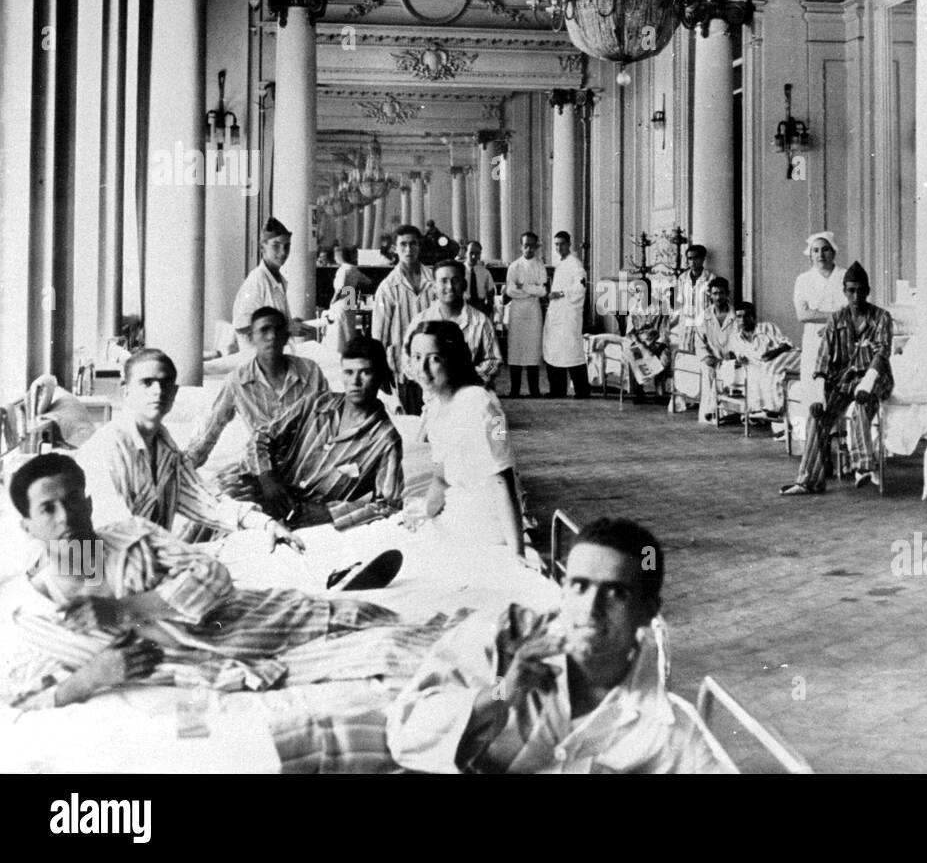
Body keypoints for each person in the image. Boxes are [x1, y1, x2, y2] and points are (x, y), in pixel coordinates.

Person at [2, 454, 431, 715]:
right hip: (211, 666)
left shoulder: (130, 537)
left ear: (89, 502)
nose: (65, 516)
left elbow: (213, 577)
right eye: (48, 509)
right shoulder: (31, 614)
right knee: (383, 653)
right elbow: (14, 698)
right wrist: (86, 680)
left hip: (249, 618)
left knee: (375, 622)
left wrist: (126, 609)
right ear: (27, 525)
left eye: (73, 500)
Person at [386, 517, 735, 773]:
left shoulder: (668, 732)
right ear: (563, 590)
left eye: (615, 593)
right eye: (580, 587)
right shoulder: (500, 637)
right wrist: (500, 693)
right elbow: (404, 735)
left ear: (648, 612)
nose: (591, 608)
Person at [77, 348, 301, 548]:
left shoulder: (166, 449)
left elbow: (205, 501)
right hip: (90, 571)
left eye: (165, 384)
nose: (158, 391)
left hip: (140, 567)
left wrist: (266, 524)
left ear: (174, 394)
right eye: (147, 383)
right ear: (125, 390)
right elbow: (112, 526)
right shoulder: (105, 447)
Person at [230, 337, 404, 531]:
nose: (355, 381)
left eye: (365, 373)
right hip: (266, 492)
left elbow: (389, 505)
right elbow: (261, 436)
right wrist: (267, 478)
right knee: (217, 508)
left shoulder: (385, 439)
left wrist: (330, 513)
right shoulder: (315, 403)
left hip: (305, 520)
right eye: (348, 372)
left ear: (379, 376)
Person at [401, 321, 524, 554]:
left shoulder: (481, 404)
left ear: (453, 359)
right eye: (416, 357)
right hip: (454, 514)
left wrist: (517, 555)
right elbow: (441, 477)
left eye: (434, 359)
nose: (423, 368)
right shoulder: (437, 407)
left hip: (484, 528)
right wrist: (423, 513)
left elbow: (504, 481)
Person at [781, 262, 892, 495]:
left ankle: (862, 466)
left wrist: (868, 382)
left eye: (860, 290)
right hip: (843, 380)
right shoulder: (837, 319)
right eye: (851, 290)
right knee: (816, 417)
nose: (856, 295)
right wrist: (819, 395)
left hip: (875, 377)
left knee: (862, 405)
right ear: (844, 291)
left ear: (868, 290)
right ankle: (808, 481)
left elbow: (882, 354)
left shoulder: (881, 317)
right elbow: (822, 358)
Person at [185, 307, 330, 473]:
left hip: (309, 463)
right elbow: (211, 430)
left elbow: (329, 418)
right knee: (225, 489)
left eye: (278, 330)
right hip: (263, 468)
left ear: (286, 336)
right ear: (251, 338)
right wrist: (184, 468)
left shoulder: (309, 371)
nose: (272, 336)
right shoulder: (238, 381)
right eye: (264, 330)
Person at [373, 224, 438, 415]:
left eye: (413, 244)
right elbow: (379, 335)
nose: (409, 249)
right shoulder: (387, 288)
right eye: (403, 245)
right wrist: (381, 370)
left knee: (437, 420)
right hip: (404, 368)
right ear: (395, 248)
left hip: (435, 365)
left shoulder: (434, 280)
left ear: (420, 246)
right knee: (412, 423)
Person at [792, 232, 848, 443]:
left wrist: (828, 321)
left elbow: (852, 310)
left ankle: (841, 434)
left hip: (842, 338)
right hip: (813, 340)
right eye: (816, 250)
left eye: (825, 249)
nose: (821, 254)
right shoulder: (804, 280)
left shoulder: (845, 276)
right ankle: (813, 437)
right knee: (813, 384)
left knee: (839, 384)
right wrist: (835, 315)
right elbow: (802, 314)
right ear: (810, 254)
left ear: (833, 251)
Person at [412, 259, 503, 387]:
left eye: (455, 281)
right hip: (429, 395)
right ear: (433, 287)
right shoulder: (420, 320)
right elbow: (407, 359)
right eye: (443, 281)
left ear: (464, 285)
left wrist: (468, 379)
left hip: (469, 394)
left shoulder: (481, 321)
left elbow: (493, 360)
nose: (450, 286)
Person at [232, 217, 303, 351]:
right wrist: (286, 327)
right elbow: (241, 327)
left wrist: (290, 324)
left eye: (287, 246)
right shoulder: (257, 280)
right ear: (261, 247)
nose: (283, 252)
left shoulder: (278, 279)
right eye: (276, 246)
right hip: (256, 360)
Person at [730, 300, 800, 423]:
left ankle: (775, 410)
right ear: (736, 319)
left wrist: (772, 354)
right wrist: (740, 359)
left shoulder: (766, 327)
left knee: (769, 368)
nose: (744, 320)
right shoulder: (736, 338)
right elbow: (739, 355)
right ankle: (759, 410)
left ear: (754, 317)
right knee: (758, 373)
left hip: (787, 356)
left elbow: (787, 344)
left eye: (747, 316)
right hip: (763, 364)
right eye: (739, 317)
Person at [542, 230, 590, 399]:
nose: (559, 247)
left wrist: (561, 293)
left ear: (569, 244)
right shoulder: (561, 264)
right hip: (557, 314)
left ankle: (582, 390)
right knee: (555, 351)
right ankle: (557, 389)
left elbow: (581, 287)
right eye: (556, 244)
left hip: (569, 315)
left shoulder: (574, 264)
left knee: (572, 351)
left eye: (562, 244)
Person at [504, 231, 547, 398]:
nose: (528, 249)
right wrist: (531, 289)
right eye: (525, 245)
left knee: (532, 350)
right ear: (521, 246)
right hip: (517, 312)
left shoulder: (539, 266)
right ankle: (514, 389)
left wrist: (525, 287)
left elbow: (542, 291)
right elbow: (510, 291)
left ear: (536, 247)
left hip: (533, 312)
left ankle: (534, 390)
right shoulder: (514, 266)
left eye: (531, 246)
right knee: (516, 349)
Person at [696, 276, 738, 424]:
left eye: (721, 293)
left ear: (727, 294)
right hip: (712, 357)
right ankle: (709, 413)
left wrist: (734, 354)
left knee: (731, 373)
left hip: (731, 359)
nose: (718, 297)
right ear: (710, 295)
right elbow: (699, 341)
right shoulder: (704, 316)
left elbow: (743, 338)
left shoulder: (736, 316)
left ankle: (729, 413)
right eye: (715, 294)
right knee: (708, 371)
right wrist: (706, 356)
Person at [669, 244, 714, 356]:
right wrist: (671, 323)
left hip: (704, 324)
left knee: (702, 355)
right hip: (686, 323)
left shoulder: (711, 279)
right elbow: (678, 305)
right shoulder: (683, 278)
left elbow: (714, 307)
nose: (693, 262)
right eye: (690, 258)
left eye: (696, 258)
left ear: (703, 259)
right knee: (685, 356)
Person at [464, 240, 497, 319]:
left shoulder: (485, 273)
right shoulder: (459, 271)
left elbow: (490, 293)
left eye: (477, 253)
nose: (474, 256)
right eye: (471, 253)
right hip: (464, 308)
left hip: (481, 308)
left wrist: (488, 311)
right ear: (465, 253)